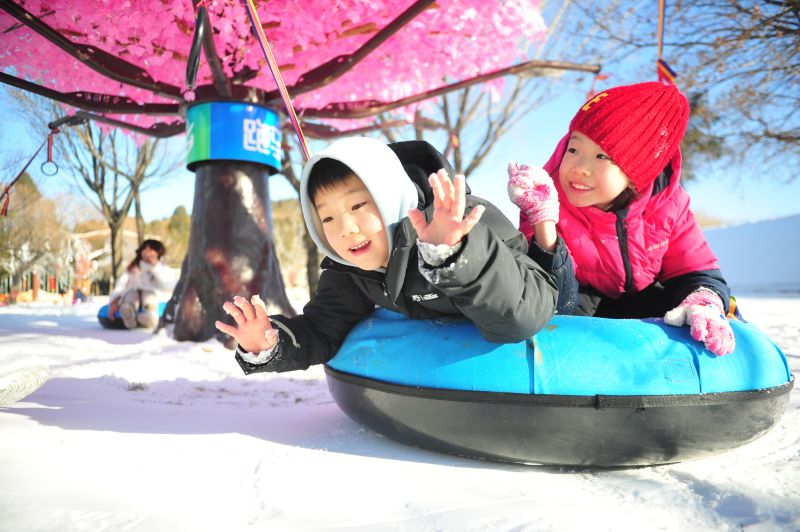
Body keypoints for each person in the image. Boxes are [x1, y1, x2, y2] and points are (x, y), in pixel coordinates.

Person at [216, 137, 558, 374]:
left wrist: (453, 255)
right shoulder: (350, 268)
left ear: (390, 197)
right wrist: (269, 342)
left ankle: (543, 217)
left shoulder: (461, 219)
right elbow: (323, 329)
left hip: (561, 303)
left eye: (358, 205)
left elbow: (524, 315)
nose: (345, 229)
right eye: (328, 218)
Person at [507, 81, 735, 356]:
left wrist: (704, 300)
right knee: (558, 322)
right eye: (574, 149)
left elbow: (695, 269)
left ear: (636, 171)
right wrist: (544, 226)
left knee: (692, 310)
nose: (580, 168)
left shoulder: (668, 204)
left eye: (602, 156)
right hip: (577, 299)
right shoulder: (544, 198)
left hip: (644, 300)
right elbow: (550, 297)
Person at [108, 239, 174, 329]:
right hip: (132, 294)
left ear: (158, 253)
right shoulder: (133, 267)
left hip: (151, 295)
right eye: (145, 249)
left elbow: (168, 284)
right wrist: (114, 301)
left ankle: (149, 316)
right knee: (131, 294)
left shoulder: (162, 268)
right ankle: (128, 311)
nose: (147, 252)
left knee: (149, 295)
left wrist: (155, 267)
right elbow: (121, 285)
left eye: (151, 250)